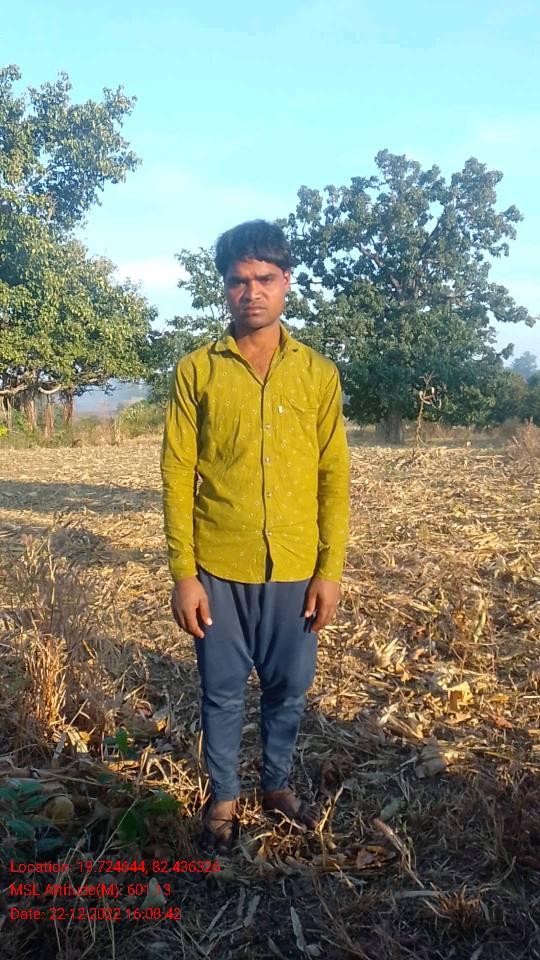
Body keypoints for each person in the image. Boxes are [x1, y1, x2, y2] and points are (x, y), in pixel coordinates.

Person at [160, 219, 350, 853]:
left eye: (265, 278)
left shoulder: (318, 374)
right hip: (218, 563)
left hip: (294, 564)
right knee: (220, 692)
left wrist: (329, 570)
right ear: (224, 287)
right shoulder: (196, 372)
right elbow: (177, 474)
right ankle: (223, 795)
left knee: (288, 688)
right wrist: (184, 575)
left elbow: (333, 476)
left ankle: (276, 784)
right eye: (238, 281)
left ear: (286, 281)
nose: (252, 292)